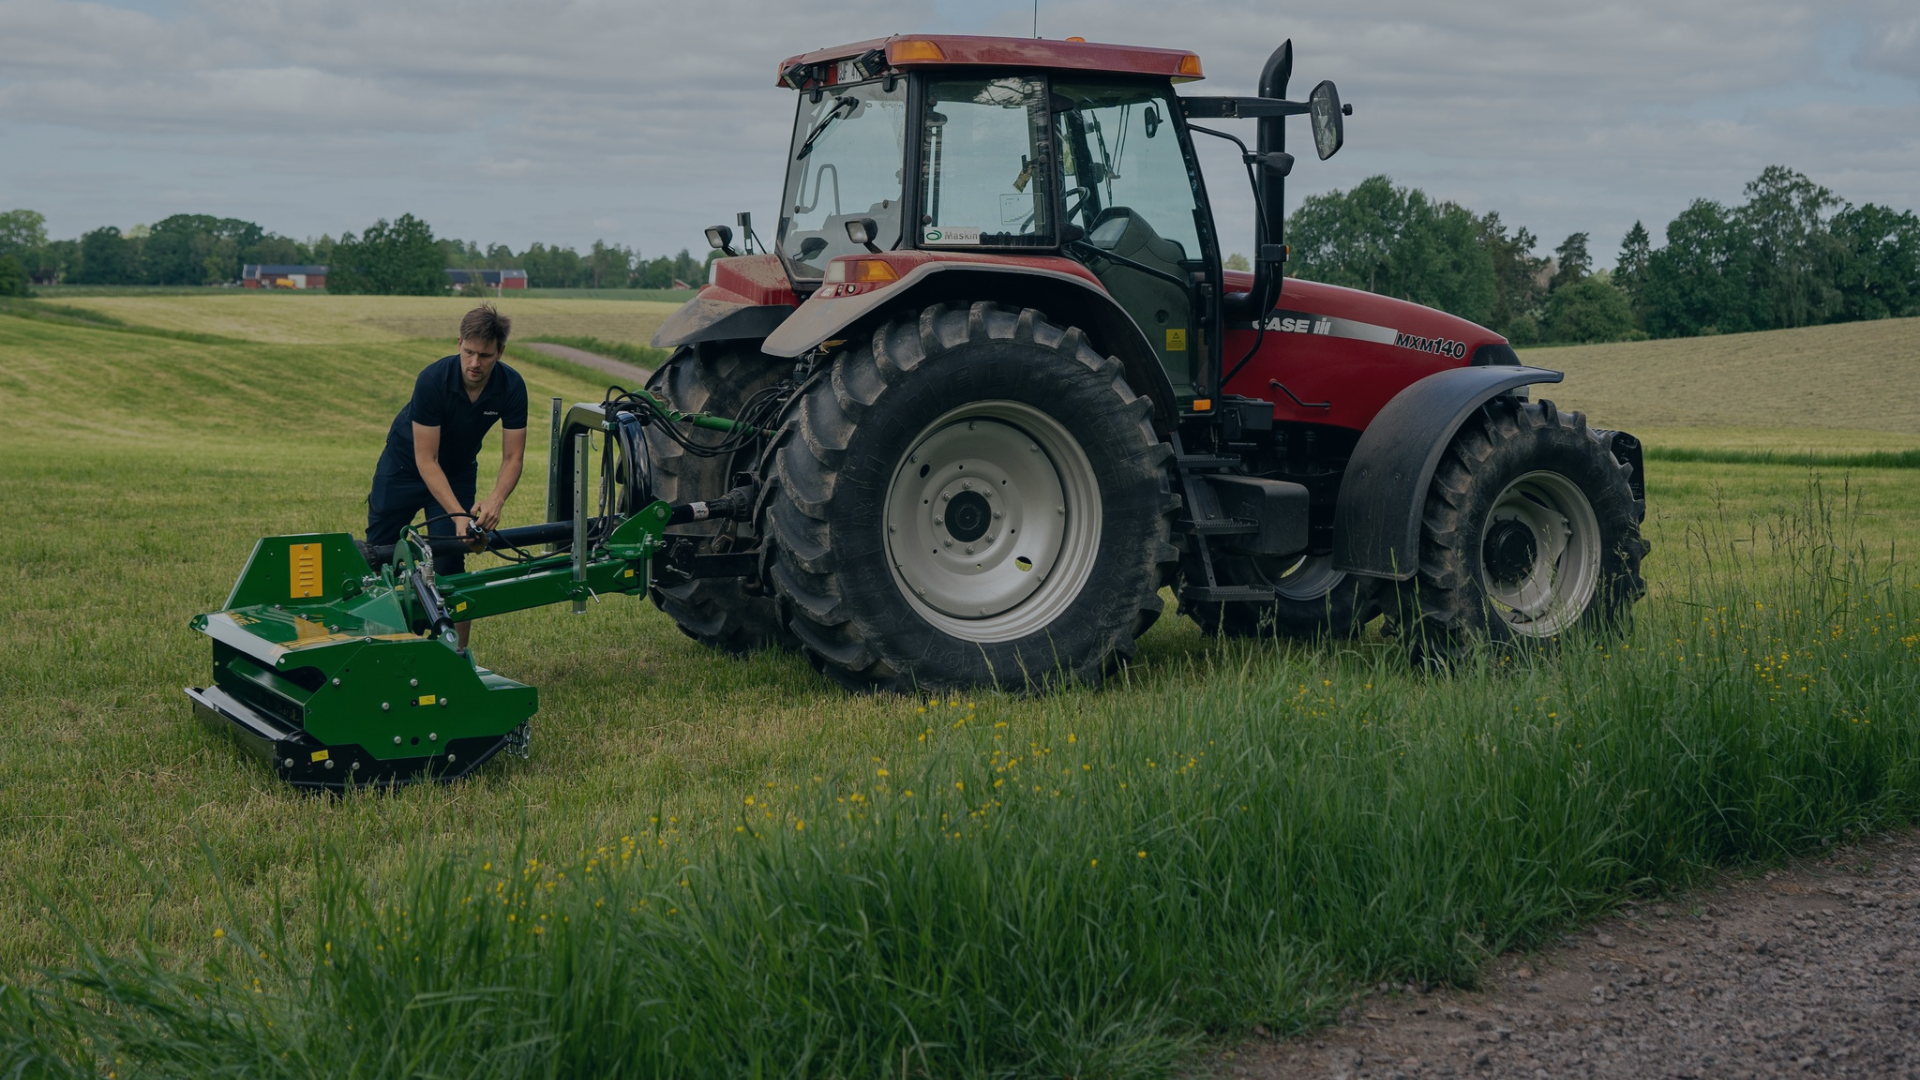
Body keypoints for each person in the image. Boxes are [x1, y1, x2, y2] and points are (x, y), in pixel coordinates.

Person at [365, 304, 528, 650]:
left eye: (485, 355)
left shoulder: (512, 386)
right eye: (468, 352)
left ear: (500, 351)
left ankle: (455, 658)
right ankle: (380, 650)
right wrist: (457, 514)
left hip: (457, 470)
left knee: (451, 566)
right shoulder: (432, 380)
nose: (474, 363)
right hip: (404, 468)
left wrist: (495, 500)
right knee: (379, 557)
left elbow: (513, 456)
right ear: (458, 343)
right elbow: (426, 460)